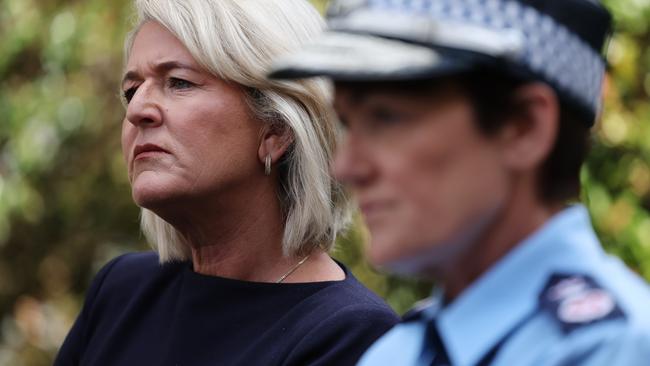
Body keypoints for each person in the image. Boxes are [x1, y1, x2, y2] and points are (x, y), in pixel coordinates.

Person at [270, 0, 650, 364]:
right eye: (348, 124)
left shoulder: (612, 348)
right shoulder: (399, 352)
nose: (346, 167)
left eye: (386, 118)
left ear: (524, 127)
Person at [54, 1, 399, 365]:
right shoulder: (121, 293)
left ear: (277, 129)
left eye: (179, 82)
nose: (138, 109)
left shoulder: (351, 335)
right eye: (131, 90)